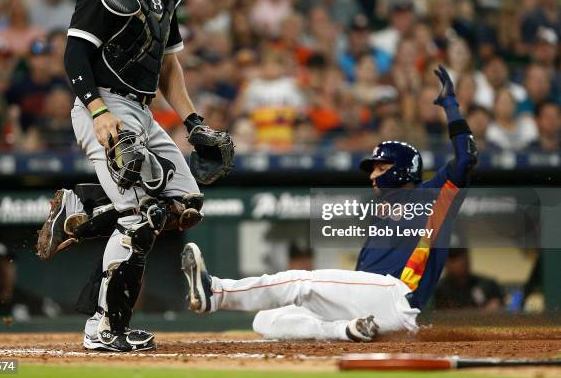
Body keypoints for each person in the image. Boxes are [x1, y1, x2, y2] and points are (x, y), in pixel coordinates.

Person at [35, 0, 232, 353]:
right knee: (141, 217)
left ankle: (81, 209)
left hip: (142, 109)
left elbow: (168, 68)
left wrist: (193, 122)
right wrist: (99, 113)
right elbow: (74, 55)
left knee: (184, 203)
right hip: (105, 104)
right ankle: (103, 328)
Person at [181, 65, 477, 342]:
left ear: (403, 170)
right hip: (366, 301)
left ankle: (217, 292)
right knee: (266, 320)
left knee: (300, 283)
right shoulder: (381, 212)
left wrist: (451, 106)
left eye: (380, 168)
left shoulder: (433, 197)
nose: (373, 175)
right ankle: (346, 331)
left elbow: (466, 157)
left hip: (396, 297)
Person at [434, 248, 504, 310]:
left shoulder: (488, 285)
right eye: (454, 258)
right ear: (445, 262)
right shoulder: (438, 290)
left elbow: (505, 307)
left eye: (462, 256)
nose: (460, 262)